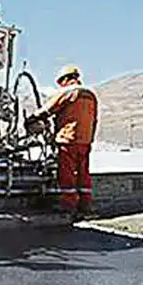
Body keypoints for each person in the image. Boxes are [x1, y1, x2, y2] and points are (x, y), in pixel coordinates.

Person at [26, 64, 98, 218]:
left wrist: (31, 119)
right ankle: (86, 207)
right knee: (83, 174)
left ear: (65, 79)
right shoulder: (91, 94)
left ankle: (68, 207)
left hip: (68, 139)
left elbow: (48, 109)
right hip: (85, 141)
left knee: (67, 174)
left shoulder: (67, 92)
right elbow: (95, 119)